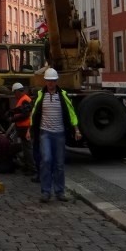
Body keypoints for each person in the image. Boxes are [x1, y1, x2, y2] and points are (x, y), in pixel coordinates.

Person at [30, 66, 81, 202]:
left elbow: (71, 113)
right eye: (48, 81)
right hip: (45, 133)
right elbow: (34, 113)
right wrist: (31, 130)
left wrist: (76, 129)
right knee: (46, 160)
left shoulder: (63, 95)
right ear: (45, 81)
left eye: (53, 81)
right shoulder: (41, 95)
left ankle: (59, 191)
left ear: (56, 81)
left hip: (59, 134)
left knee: (59, 164)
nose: (51, 83)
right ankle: (46, 192)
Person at [9, 82, 35, 175]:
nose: (14, 95)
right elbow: (20, 110)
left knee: (28, 149)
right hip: (22, 127)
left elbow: (25, 114)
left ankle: (32, 169)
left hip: (25, 127)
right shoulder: (23, 99)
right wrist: (11, 112)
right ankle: (27, 166)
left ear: (17, 92)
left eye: (14, 93)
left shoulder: (25, 100)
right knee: (25, 148)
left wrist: (13, 118)